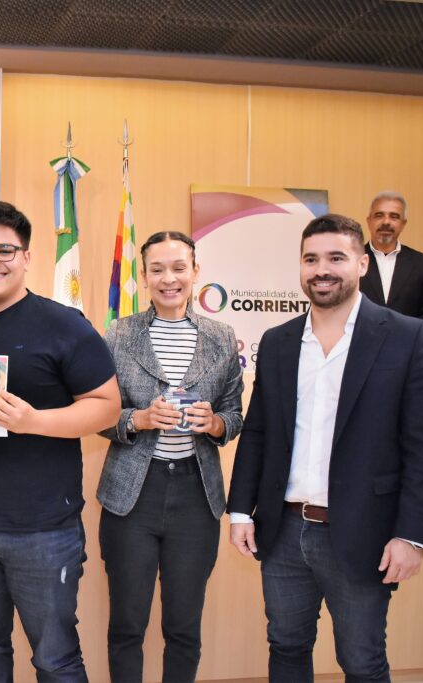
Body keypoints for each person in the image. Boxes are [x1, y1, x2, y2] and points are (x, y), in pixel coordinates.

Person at [228, 213, 423, 681]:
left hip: (364, 533)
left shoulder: (407, 336)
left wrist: (411, 536)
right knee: (286, 647)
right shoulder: (279, 341)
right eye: (310, 259)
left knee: (362, 662)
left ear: (362, 263)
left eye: (336, 258)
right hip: (283, 530)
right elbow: (259, 431)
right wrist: (241, 511)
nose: (321, 270)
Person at [0, 200, 121, 682]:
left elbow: (106, 407)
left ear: (27, 257)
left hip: (44, 529)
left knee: (55, 659)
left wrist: (34, 421)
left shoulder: (65, 325)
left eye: (5, 250)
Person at [97, 231, 244, 683]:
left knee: (183, 626)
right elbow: (98, 413)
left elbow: (235, 414)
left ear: (196, 272)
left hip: (196, 497)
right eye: (157, 269)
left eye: (179, 268)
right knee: (127, 624)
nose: (169, 279)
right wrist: (138, 419)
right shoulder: (118, 334)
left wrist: (214, 423)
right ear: (143, 277)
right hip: (132, 497)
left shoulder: (222, 337)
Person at [359, 190, 423, 332]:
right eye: (379, 215)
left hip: (409, 344)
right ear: (369, 221)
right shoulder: (352, 261)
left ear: (403, 224)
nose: (386, 222)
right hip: (361, 343)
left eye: (394, 216)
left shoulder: (422, 263)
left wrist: (409, 336)